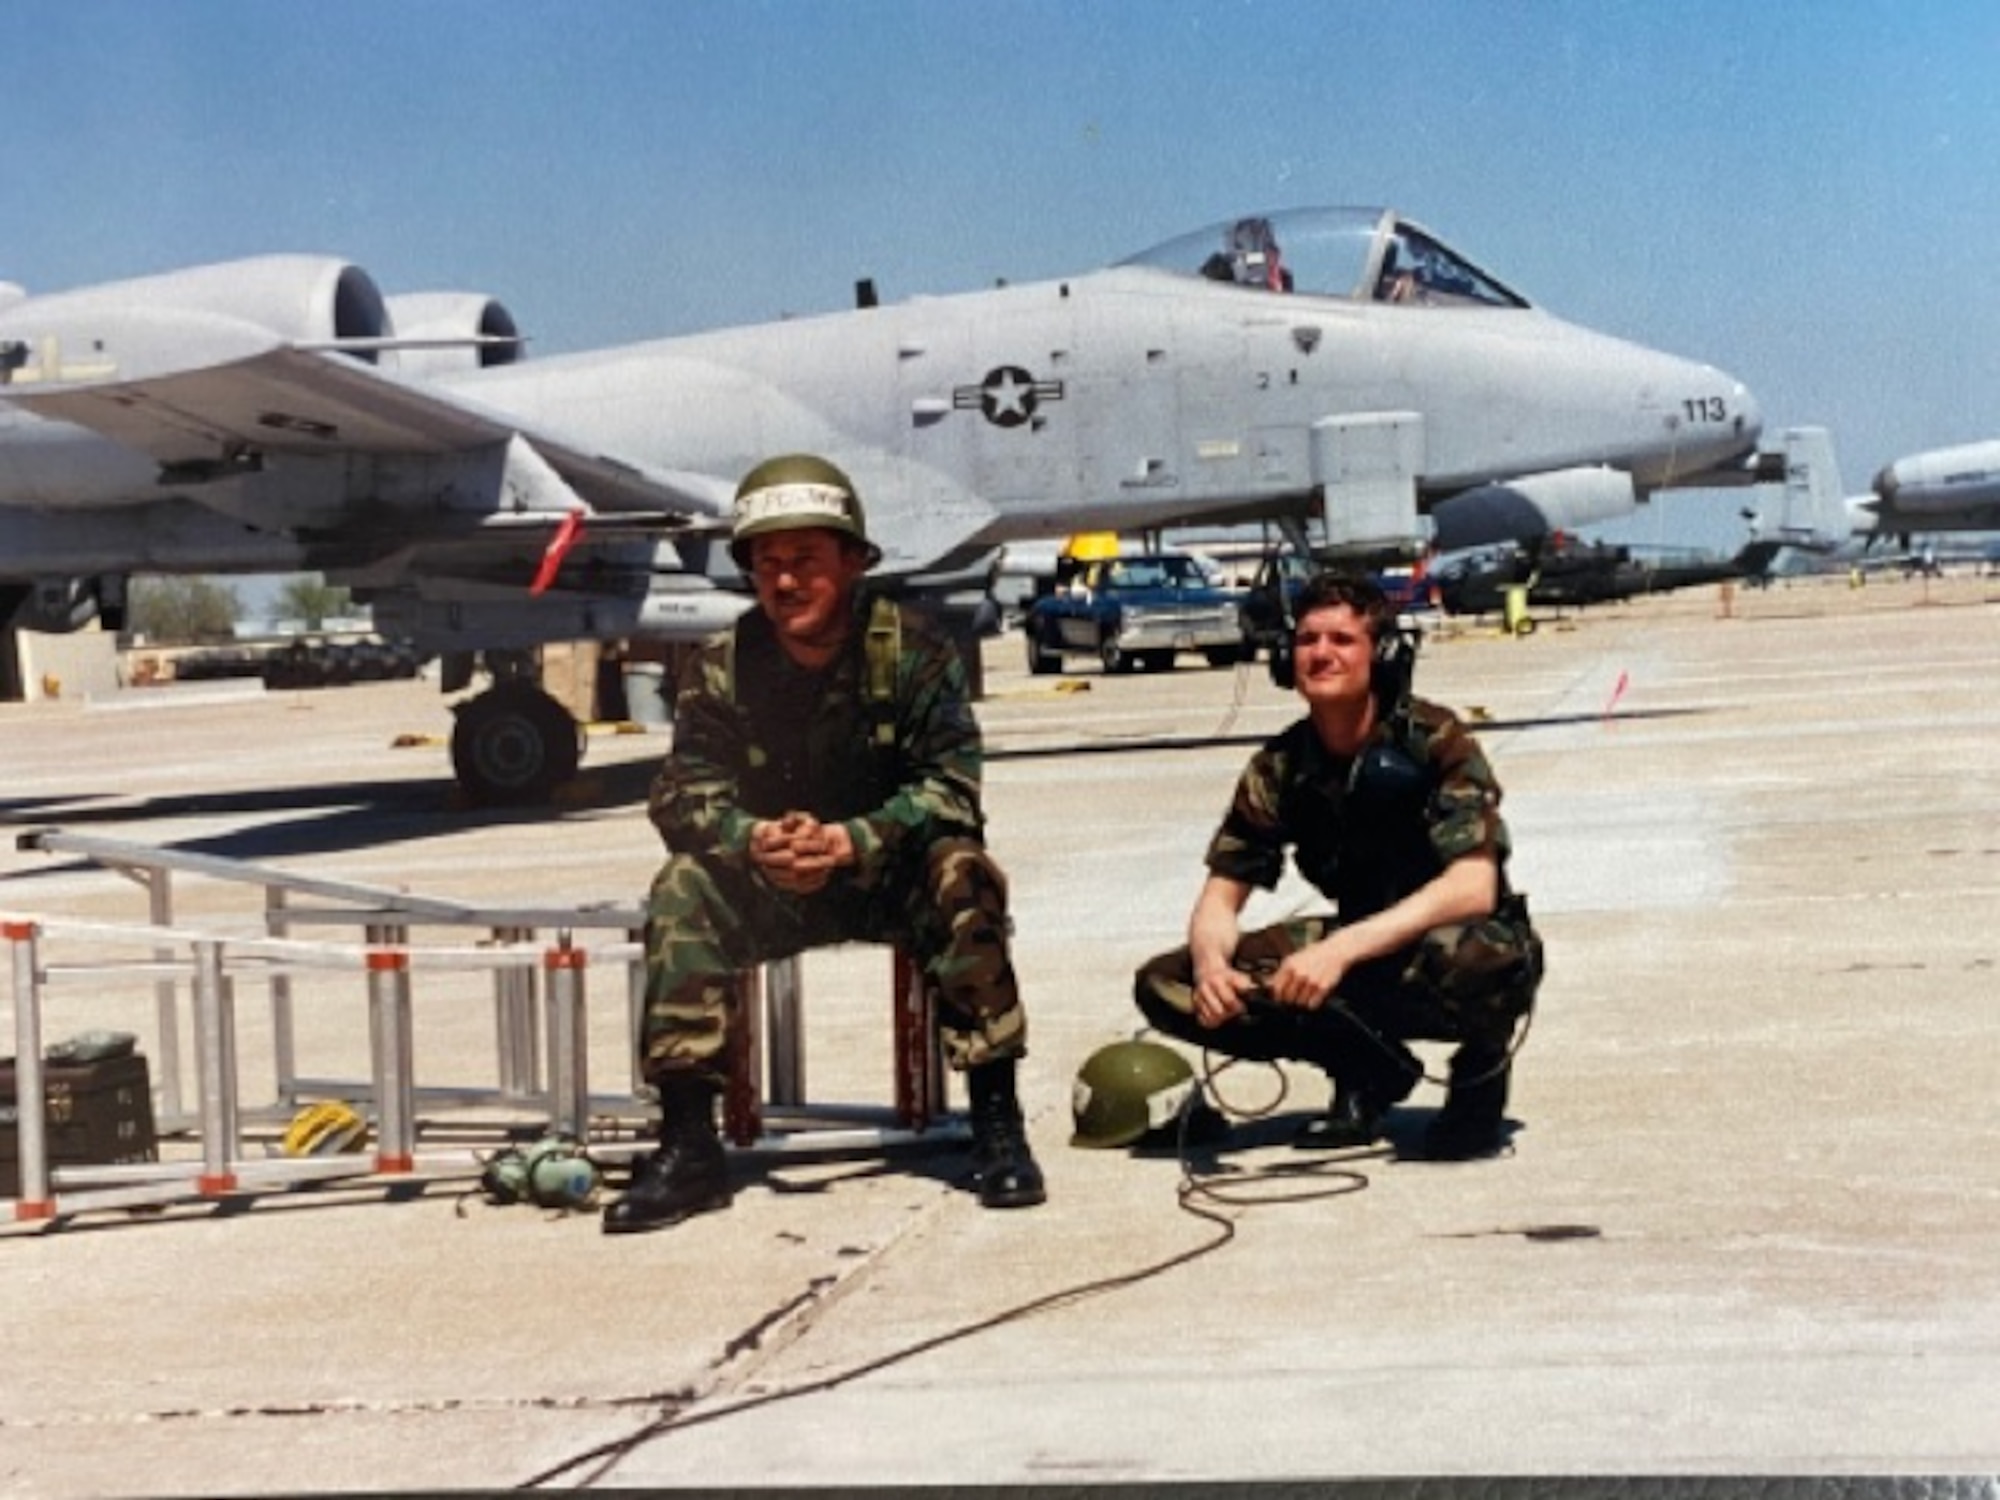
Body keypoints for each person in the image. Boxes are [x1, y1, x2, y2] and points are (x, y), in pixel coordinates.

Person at [603, 453, 1046, 1233]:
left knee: (963, 871)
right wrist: (753, 839)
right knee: (681, 888)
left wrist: (853, 840)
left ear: (852, 562)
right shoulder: (722, 666)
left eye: (805, 560)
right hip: (773, 881)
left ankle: (997, 1122)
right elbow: (681, 791)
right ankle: (688, 1146)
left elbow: (952, 786)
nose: (783, 582)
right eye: (767, 564)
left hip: (890, 878)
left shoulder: (916, 651)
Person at [1132, 570, 1542, 1159]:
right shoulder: (1280, 767)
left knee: (1477, 956)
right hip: (1358, 941)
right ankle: (1367, 1071)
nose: (1320, 654)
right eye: (1306, 640)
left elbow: (1472, 887)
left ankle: (1478, 1080)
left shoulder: (1434, 740)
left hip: (1446, 941)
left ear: (1381, 654)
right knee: (1166, 983)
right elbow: (1221, 899)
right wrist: (1213, 967)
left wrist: (1338, 951)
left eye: (1342, 641)